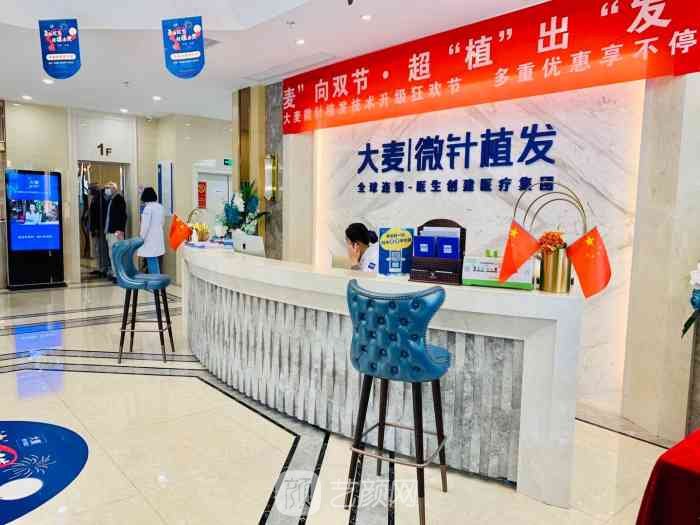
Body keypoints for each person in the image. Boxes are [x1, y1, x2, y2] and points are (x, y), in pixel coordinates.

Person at [137, 187, 165, 273]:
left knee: (151, 260)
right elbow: (162, 223)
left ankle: (155, 279)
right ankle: (157, 278)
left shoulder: (148, 208)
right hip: (158, 238)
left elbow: (145, 226)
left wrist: (141, 238)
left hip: (150, 240)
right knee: (155, 260)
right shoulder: (160, 207)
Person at [104, 182, 127, 281]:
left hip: (115, 232)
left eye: (108, 188)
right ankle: (115, 274)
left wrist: (120, 230)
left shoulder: (119, 199)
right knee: (112, 254)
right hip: (110, 231)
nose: (106, 190)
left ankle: (118, 275)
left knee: (116, 254)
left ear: (114, 189)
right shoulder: (111, 200)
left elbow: (123, 216)